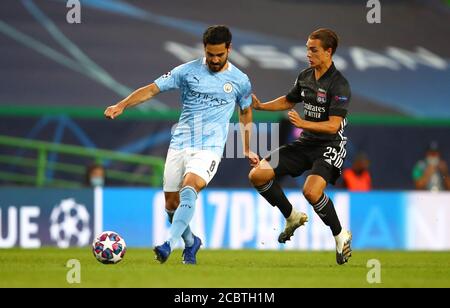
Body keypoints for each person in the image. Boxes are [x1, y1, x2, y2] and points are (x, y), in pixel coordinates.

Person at [104, 25, 258, 264]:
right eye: (210, 54)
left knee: (190, 187)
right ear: (204, 49)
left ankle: (168, 244)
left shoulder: (240, 80)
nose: (215, 59)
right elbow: (151, 90)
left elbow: (246, 112)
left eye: (220, 54)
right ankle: (191, 242)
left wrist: (247, 146)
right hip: (180, 144)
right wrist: (122, 105)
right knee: (171, 206)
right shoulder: (186, 71)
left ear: (229, 48)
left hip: (210, 147)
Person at [250, 28, 352, 265]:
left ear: (328, 52)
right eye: (307, 48)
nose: (308, 53)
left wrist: (303, 122)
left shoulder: (340, 85)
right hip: (305, 143)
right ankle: (292, 216)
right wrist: (262, 106)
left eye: (313, 50)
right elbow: (288, 100)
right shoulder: (305, 76)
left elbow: (333, 126)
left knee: (311, 191)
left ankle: (340, 235)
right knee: (257, 175)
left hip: (330, 146)